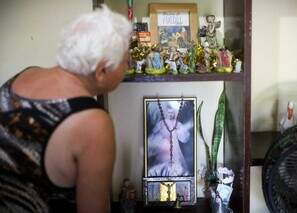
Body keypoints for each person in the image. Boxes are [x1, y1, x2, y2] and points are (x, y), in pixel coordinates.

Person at [0, 4, 132, 213]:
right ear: (101, 71)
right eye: (126, 61)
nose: (128, 67)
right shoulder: (94, 122)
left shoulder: (24, 75)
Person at [147, 101, 193, 177]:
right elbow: (154, 133)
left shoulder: (177, 124)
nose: (170, 114)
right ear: (166, 113)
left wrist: (180, 131)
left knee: (176, 166)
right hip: (163, 149)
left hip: (174, 149)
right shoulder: (162, 123)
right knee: (162, 167)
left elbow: (184, 137)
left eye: (172, 113)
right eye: (169, 113)